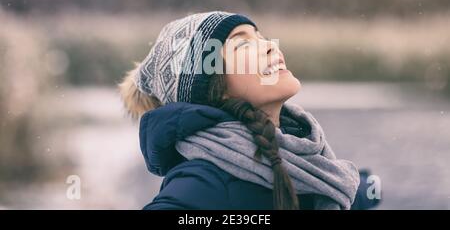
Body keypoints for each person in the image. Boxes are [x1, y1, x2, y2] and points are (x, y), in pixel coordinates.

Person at [119, 11, 380, 210]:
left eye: (261, 37)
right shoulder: (205, 182)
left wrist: (370, 188)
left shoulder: (310, 163)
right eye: (242, 44)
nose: (270, 46)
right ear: (214, 87)